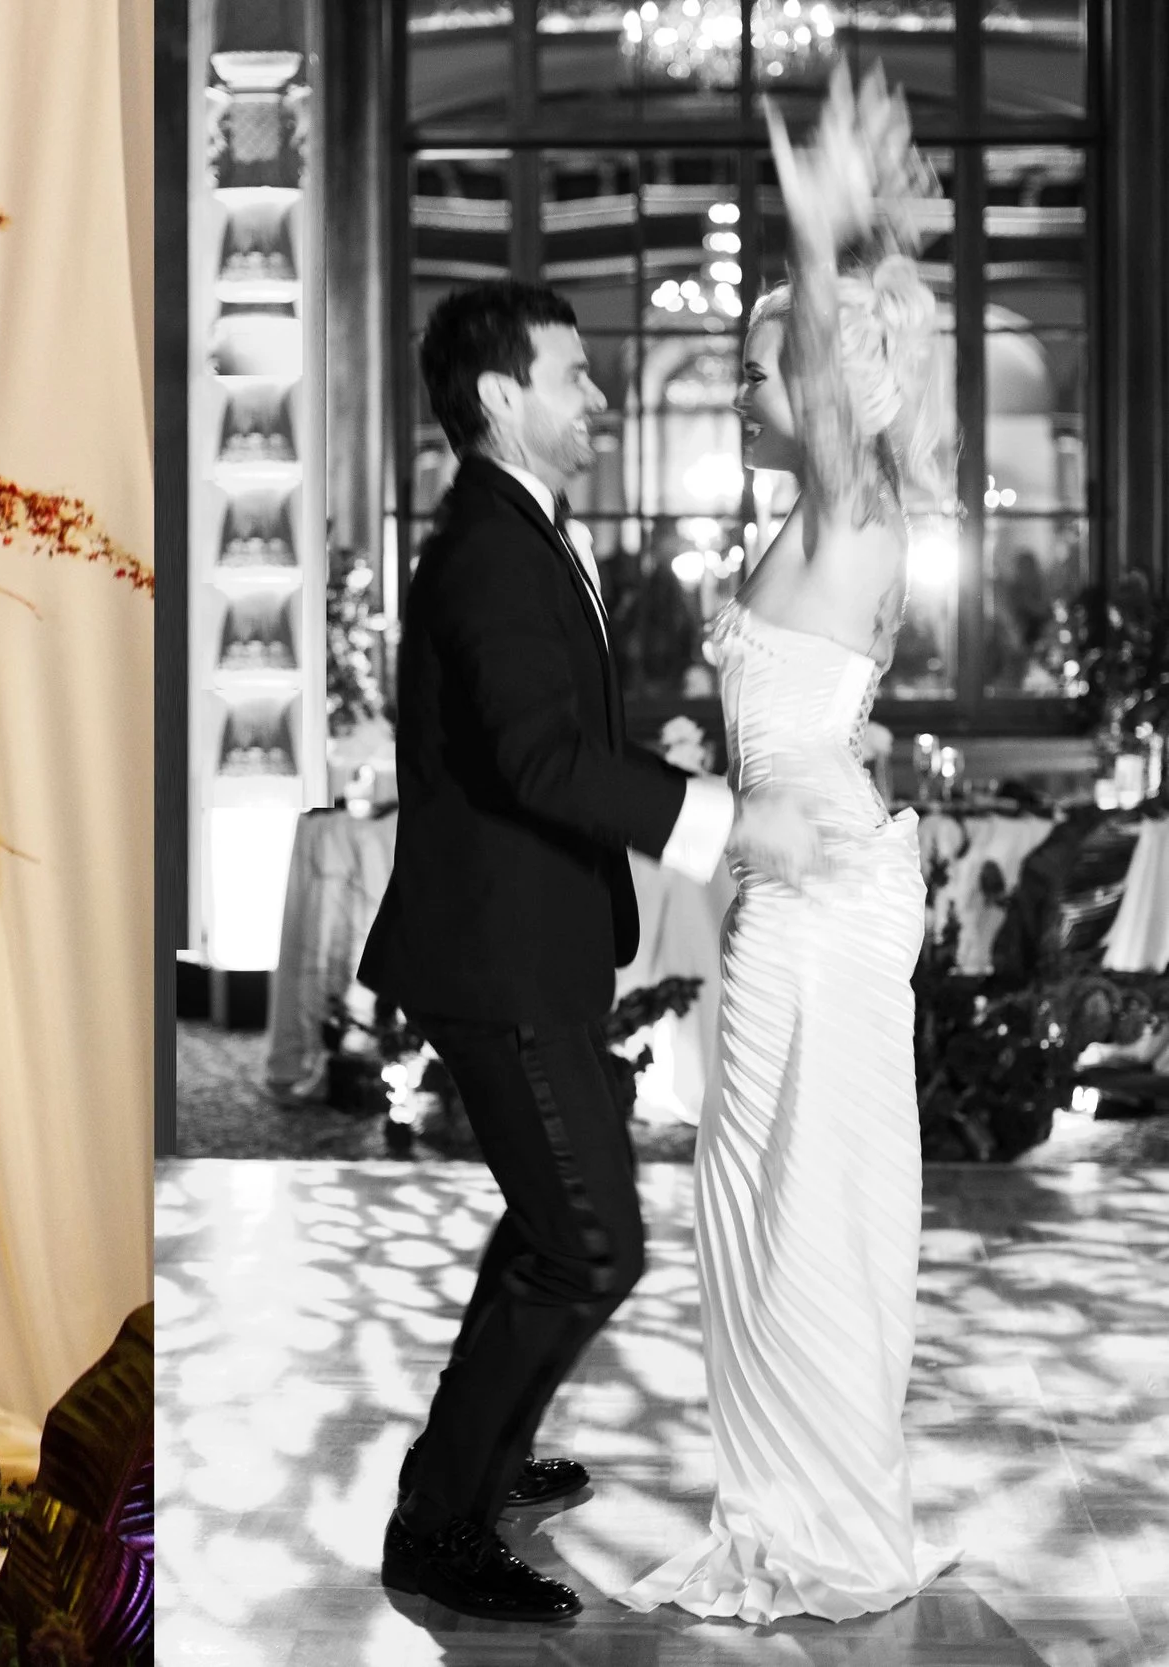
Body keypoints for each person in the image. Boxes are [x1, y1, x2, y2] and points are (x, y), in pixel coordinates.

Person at [360, 277, 823, 1625]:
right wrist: (722, 821)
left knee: (549, 1229)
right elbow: (536, 756)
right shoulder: (490, 548)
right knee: (589, 1244)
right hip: (498, 962)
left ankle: (475, 1465)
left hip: (528, 951)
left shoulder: (517, 530)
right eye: (576, 374)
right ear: (504, 394)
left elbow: (549, 735)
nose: (602, 397)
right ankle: (438, 1525)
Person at [620, 63, 960, 1624]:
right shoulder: (819, 524)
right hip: (798, 886)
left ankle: (816, 1510)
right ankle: (787, 1487)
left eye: (754, 377)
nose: (740, 394)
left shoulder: (850, 509)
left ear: (818, 390)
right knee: (752, 1187)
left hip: (816, 907)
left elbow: (820, 387)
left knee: (791, 1188)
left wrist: (821, 244)